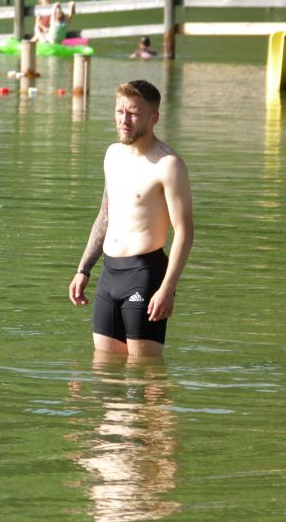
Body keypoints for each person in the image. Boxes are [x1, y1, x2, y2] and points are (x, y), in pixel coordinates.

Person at [68, 80, 194, 358]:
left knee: (145, 371)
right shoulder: (113, 155)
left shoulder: (168, 165)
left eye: (133, 113)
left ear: (154, 118)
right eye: (119, 111)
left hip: (145, 274)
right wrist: (83, 269)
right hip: (109, 274)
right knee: (104, 368)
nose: (124, 120)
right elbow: (105, 214)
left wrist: (167, 288)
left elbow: (184, 232)